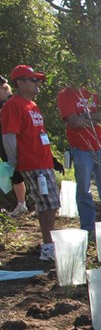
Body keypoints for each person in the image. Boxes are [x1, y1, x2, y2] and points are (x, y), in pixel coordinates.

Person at [1, 65, 62, 261]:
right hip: (32, 163)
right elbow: (9, 136)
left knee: (48, 205)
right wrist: (15, 163)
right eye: (33, 80)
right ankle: (48, 247)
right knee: (49, 204)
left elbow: (39, 134)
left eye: (38, 80)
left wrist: (52, 158)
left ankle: (47, 245)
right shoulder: (13, 105)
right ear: (19, 83)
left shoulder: (32, 105)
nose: (38, 84)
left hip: (43, 162)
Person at [57, 84, 101, 233]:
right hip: (81, 149)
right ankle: (88, 229)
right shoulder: (65, 95)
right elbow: (74, 122)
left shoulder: (95, 91)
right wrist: (97, 117)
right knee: (84, 190)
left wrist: (85, 118)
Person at [0, 75, 28, 218]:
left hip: (16, 144)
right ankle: (20, 204)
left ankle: (23, 203)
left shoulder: (12, 103)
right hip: (4, 145)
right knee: (13, 175)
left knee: (19, 173)